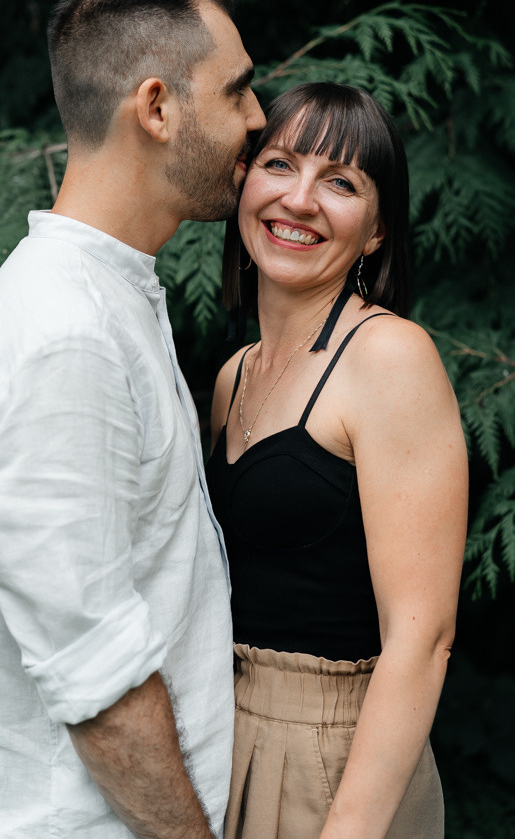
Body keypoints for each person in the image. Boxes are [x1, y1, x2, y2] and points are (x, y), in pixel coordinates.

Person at [0, 0, 265, 839]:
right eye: (236, 91)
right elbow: (97, 682)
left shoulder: (104, 297)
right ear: (156, 109)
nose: (258, 119)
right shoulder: (66, 332)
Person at [206, 82, 468, 839]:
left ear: (377, 231)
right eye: (279, 164)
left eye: (341, 182)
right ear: (244, 183)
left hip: (342, 764)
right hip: (227, 744)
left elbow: (421, 641)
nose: (299, 199)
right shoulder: (232, 376)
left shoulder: (389, 356)